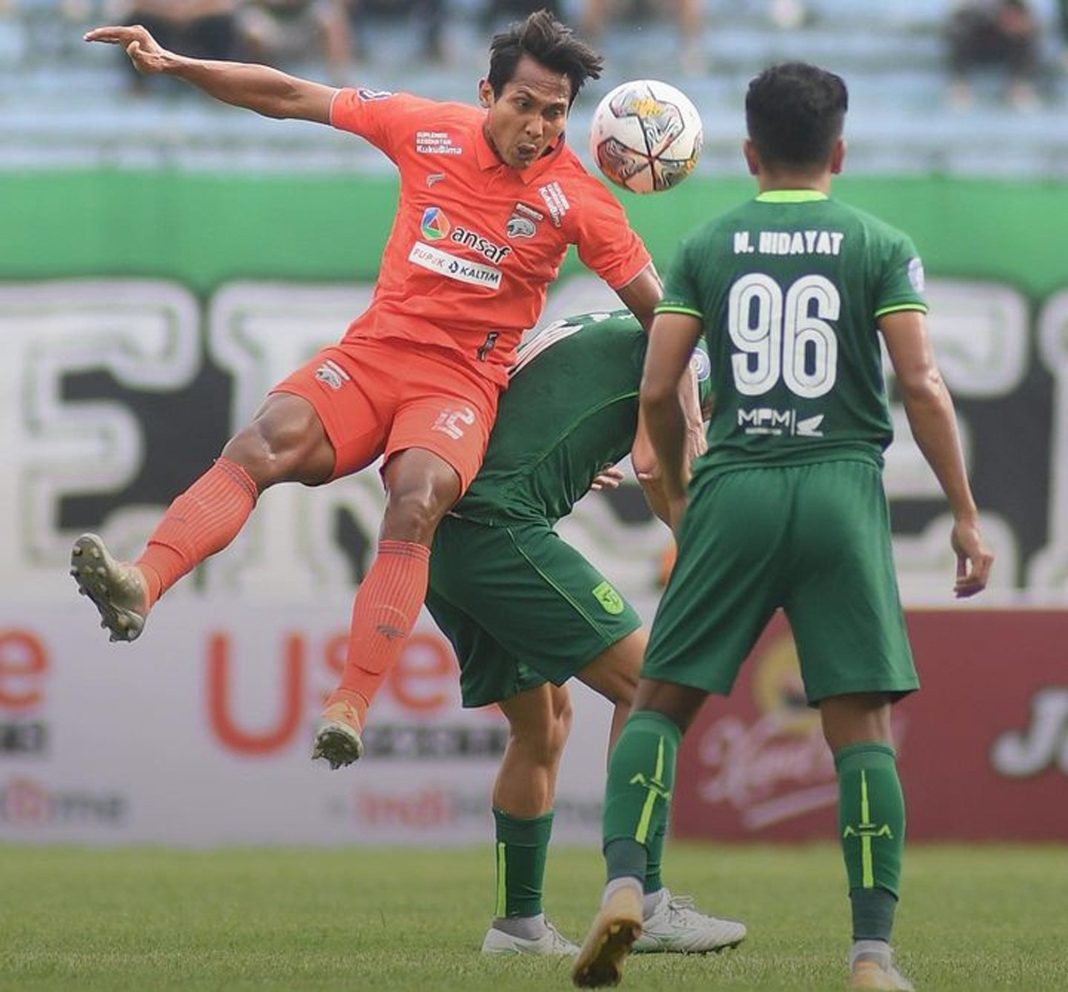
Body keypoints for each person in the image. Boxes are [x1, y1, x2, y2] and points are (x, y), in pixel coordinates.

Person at [71, 11, 662, 772]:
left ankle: (348, 704)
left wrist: (664, 419)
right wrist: (177, 64)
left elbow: (662, 316)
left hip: (457, 387)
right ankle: (141, 583)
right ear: (488, 93)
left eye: (555, 113)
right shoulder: (426, 127)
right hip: (375, 356)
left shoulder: (578, 199)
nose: (538, 127)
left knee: (417, 499)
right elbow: (289, 94)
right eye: (525, 105)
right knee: (261, 443)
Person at [572, 62, 994, 990]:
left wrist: (685, 499)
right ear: (838, 149)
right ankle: (872, 955)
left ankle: (624, 886)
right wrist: (963, 516)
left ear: (749, 151)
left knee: (660, 707)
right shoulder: (880, 243)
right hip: (842, 487)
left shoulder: (707, 245)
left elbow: (656, 390)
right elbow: (921, 385)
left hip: (737, 482)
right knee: (862, 731)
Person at [425, 308, 745, 956]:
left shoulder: (605, 324)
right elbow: (656, 465)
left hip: (440, 527)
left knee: (542, 723)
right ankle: (644, 897)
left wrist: (565, 452)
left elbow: (513, 386)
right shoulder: (698, 350)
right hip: (497, 528)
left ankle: (517, 928)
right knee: (651, 686)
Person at [945, 0, 1040, 110]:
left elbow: (1024, 13)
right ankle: (960, 86)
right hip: (975, 35)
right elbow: (958, 11)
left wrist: (1009, 16)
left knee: (1024, 29)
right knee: (959, 28)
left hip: (1005, 37)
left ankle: (1019, 85)